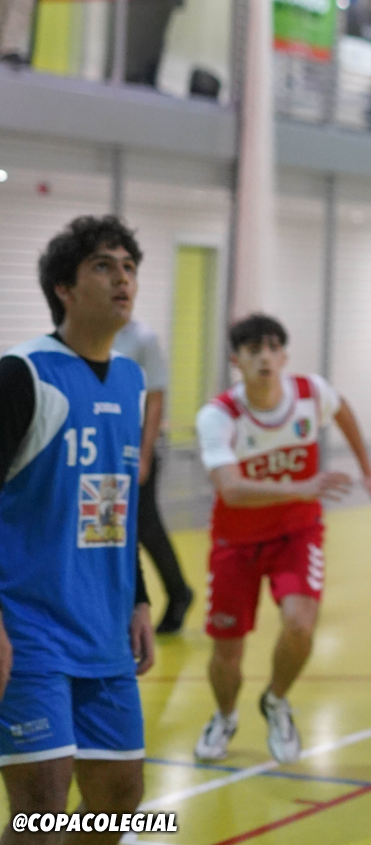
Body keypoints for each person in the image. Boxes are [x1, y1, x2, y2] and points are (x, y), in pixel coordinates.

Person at [0, 216, 154, 841]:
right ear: (64, 287)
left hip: (105, 630)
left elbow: (116, 502)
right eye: (103, 266)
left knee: (119, 802)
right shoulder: (23, 374)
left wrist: (139, 596)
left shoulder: (132, 380)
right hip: (29, 631)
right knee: (41, 811)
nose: (123, 279)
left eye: (129, 267)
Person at [194, 313, 371, 764]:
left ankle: (276, 700)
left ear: (284, 355)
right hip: (235, 541)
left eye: (273, 348)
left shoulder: (310, 393)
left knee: (301, 624)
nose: (265, 358)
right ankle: (224, 716)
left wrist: (369, 470)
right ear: (236, 360)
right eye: (253, 350)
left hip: (297, 533)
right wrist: (300, 487)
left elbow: (343, 410)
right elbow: (230, 489)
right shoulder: (219, 415)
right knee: (227, 650)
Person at [111, 316, 194, 634]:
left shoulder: (142, 338)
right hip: (106, 445)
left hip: (134, 447)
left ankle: (178, 592)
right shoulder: (90, 334)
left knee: (146, 526)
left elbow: (155, 399)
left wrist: (144, 455)